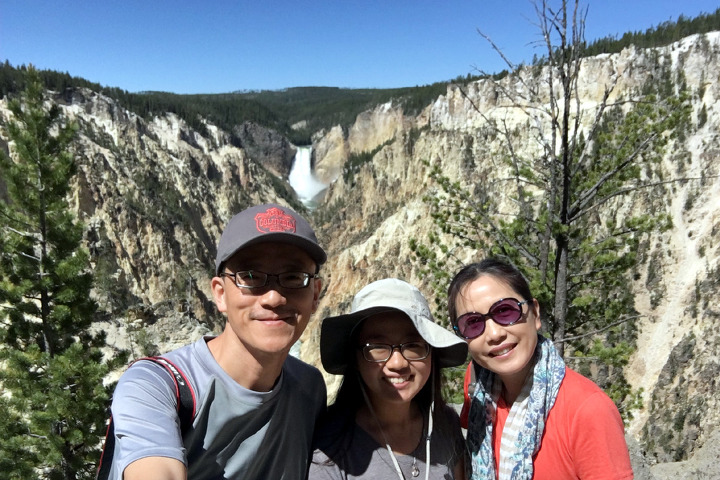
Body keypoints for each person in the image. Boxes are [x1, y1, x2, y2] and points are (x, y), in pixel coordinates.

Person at [103, 203, 327, 480]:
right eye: (251, 277)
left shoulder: (309, 389)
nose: (273, 298)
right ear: (220, 294)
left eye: (294, 277)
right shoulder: (154, 386)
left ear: (315, 294)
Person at [447, 258, 634, 480]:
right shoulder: (477, 385)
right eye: (474, 323)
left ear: (534, 314)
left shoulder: (588, 410)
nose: (494, 334)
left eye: (505, 311)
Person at [310, 278, 469, 480]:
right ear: (355, 358)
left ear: (432, 353)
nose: (397, 363)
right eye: (377, 347)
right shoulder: (328, 447)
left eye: (413, 346)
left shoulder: (444, 423)